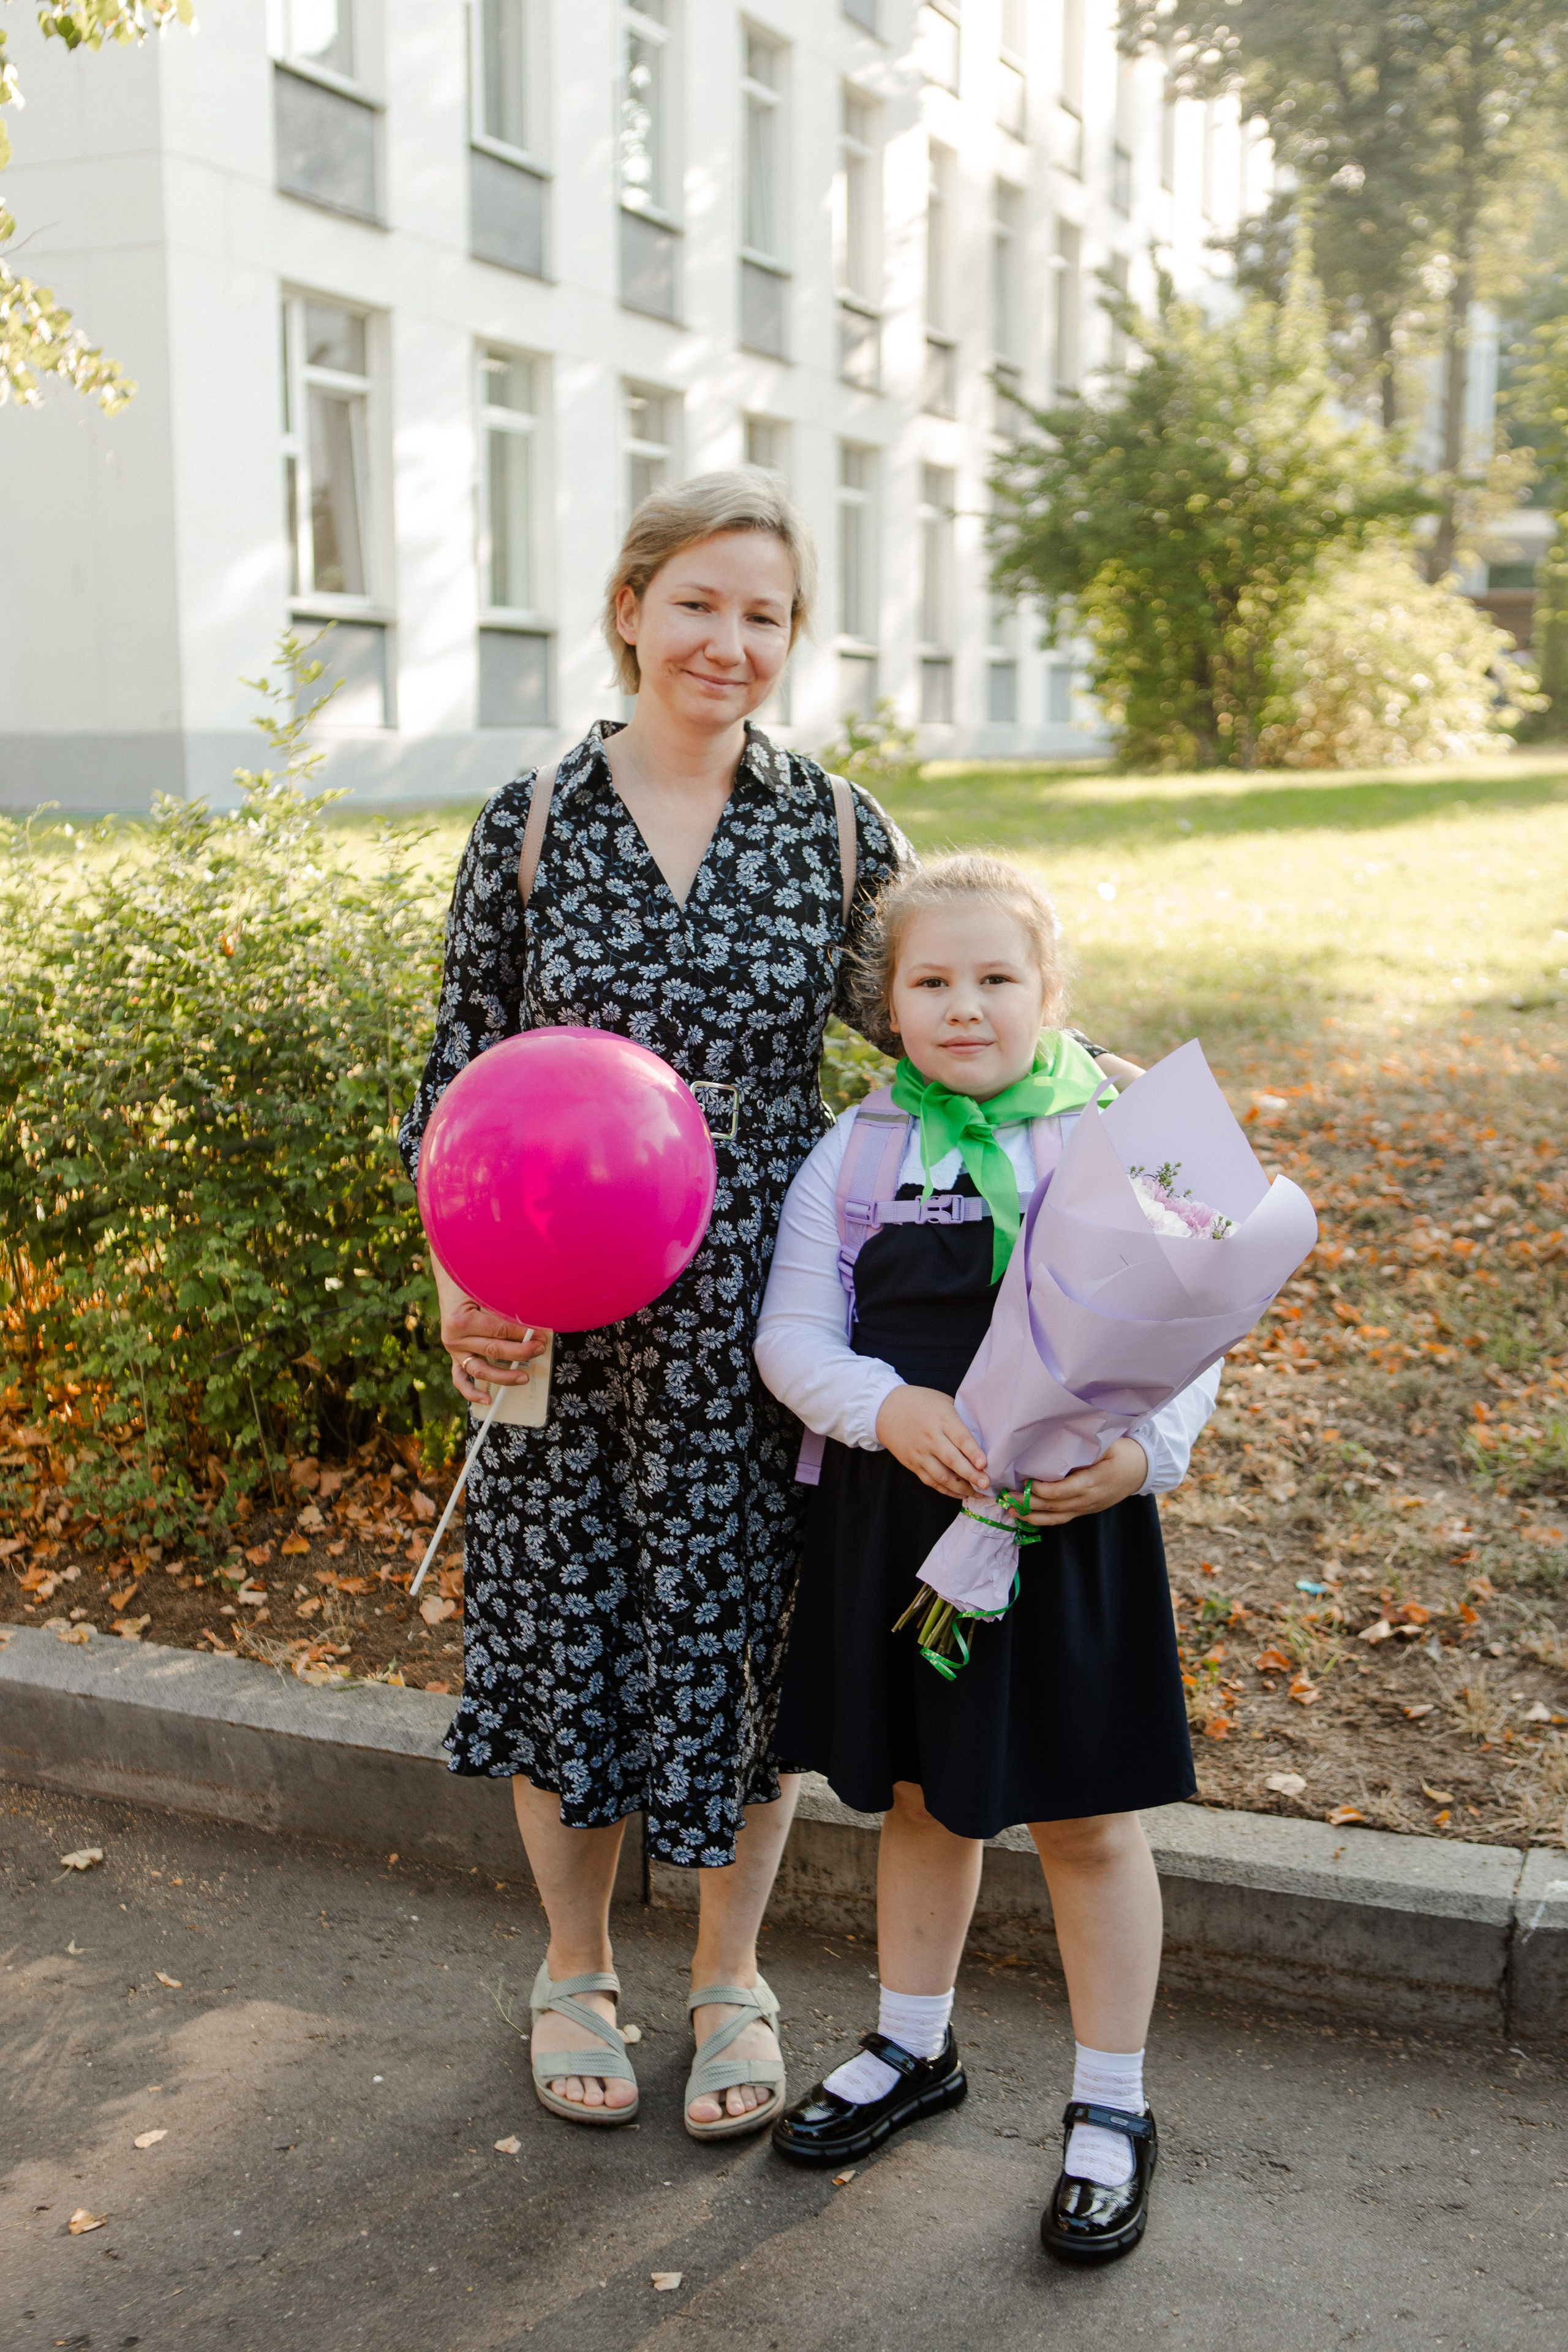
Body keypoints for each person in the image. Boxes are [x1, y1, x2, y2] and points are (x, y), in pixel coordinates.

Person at [401, 477, 1143, 2143]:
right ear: (630, 607)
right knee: (559, 1629)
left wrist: (1113, 1124)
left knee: (743, 1642)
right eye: (700, 605)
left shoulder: (835, 830)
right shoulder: (531, 821)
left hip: (767, 1309)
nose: (729, 643)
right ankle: (574, 1967)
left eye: (765, 616)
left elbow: (954, 1049)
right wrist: (464, 1289)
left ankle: (731, 1978)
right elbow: (456, 1075)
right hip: (556, 1312)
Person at [753, 854, 1219, 2260]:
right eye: (931, 982)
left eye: (995, 979)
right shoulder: (853, 1154)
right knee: (921, 1798)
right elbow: (790, 1339)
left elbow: (1195, 1326)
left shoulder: (1131, 1134)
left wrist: (1140, 1460)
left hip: (1070, 1531)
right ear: (887, 1007)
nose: (965, 1008)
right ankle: (912, 2048)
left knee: (1082, 1820)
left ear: (1046, 991)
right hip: (904, 1522)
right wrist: (884, 1411)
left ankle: (1111, 2104)